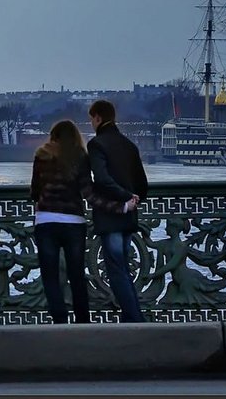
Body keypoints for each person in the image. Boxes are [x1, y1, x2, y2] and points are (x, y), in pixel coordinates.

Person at [30, 119, 136, 324]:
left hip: (45, 221)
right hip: (73, 223)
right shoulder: (80, 157)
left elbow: (35, 191)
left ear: (53, 136)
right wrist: (122, 207)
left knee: (50, 276)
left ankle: (59, 321)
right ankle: (82, 321)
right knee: (76, 275)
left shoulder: (41, 156)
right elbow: (90, 195)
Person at [86, 99, 149, 323]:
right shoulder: (129, 145)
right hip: (129, 217)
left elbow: (102, 179)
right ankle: (133, 317)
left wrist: (124, 197)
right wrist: (133, 198)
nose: (91, 124)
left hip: (110, 216)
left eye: (91, 119)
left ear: (98, 118)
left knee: (117, 271)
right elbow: (142, 185)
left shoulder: (96, 144)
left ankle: (134, 319)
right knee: (124, 270)